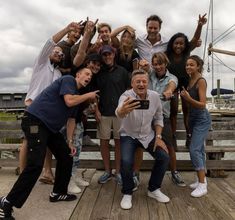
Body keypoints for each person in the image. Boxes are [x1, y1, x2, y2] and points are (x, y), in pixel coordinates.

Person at [0, 68, 99, 219]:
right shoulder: (68, 80)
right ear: (77, 75)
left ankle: (58, 192)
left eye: (91, 76)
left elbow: (71, 120)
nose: (89, 77)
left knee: (66, 156)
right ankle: (6, 202)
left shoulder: (77, 96)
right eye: (86, 73)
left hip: (49, 128)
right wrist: (89, 95)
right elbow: (68, 100)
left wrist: (70, 142)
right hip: (35, 120)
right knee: (35, 165)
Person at [19, 22, 83, 185]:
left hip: (47, 113)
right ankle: (22, 173)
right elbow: (50, 42)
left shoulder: (57, 74)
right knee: (27, 141)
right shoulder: (41, 63)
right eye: (56, 52)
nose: (59, 55)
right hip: (33, 108)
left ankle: (47, 172)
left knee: (46, 141)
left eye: (61, 54)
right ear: (48, 54)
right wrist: (67, 30)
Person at [116, 69, 170, 210]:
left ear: (148, 83)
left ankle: (153, 189)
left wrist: (158, 137)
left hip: (148, 135)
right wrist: (123, 110)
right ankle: (127, 192)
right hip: (129, 134)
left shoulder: (154, 96)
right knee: (126, 161)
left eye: (144, 81)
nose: (141, 84)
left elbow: (159, 117)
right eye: (137, 81)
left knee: (163, 157)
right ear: (132, 84)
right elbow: (119, 111)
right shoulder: (126, 96)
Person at [165, 14, 207, 148]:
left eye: (181, 43)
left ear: (185, 45)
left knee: (187, 109)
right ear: (172, 44)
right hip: (172, 84)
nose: (178, 46)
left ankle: (189, 136)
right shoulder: (167, 55)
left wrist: (199, 25)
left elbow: (195, 39)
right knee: (172, 111)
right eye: (176, 43)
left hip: (185, 84)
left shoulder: (187, 51)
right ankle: (173, 137)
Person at [66, 53, 102, 194]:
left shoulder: (88, 83)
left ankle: (74, 177)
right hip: (70, 121)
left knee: (77, 151)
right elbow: (70, 103)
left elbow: (86, 104)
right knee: (71, 151)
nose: (94, 68)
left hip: (79, 120)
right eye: (92, 64)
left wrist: (92, 109)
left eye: (98, 65)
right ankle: (69, 181)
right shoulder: (72, 83)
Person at [94, 45, 130, 185]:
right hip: (103, 113)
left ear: (114, 55)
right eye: (104, 55)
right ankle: (107, 171)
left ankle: (118, 172)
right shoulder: (99, 72)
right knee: (104, 142)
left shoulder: (122, 71)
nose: (107, 57)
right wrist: (96, 110)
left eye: (109, 54)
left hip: (120, 113)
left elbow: (128, 91)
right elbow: (95, 95)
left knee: (118, 143)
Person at [149, 52, 186, 186]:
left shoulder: (172, 77)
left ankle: (174, 172)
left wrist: (169, 91)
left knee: (169, 146)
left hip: (163, 117)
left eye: (160, 64)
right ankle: (135, 175)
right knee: (138, 146)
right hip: (146, 117)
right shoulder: (148, 75)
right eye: (155, 64)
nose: (157, 66)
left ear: (165, 64)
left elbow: (172, 85)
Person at [180, 55, 211, 198]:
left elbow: (203, 104)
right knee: (200, 149)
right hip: (192, 118)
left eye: (191, 65)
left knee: (194, 150)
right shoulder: (190, 79)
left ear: (198, 66)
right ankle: (200, 180)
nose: (188, 67)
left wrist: (187, 98)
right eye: (187, 65)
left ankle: (203, 185)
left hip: (201, 119)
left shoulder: (201, 81)